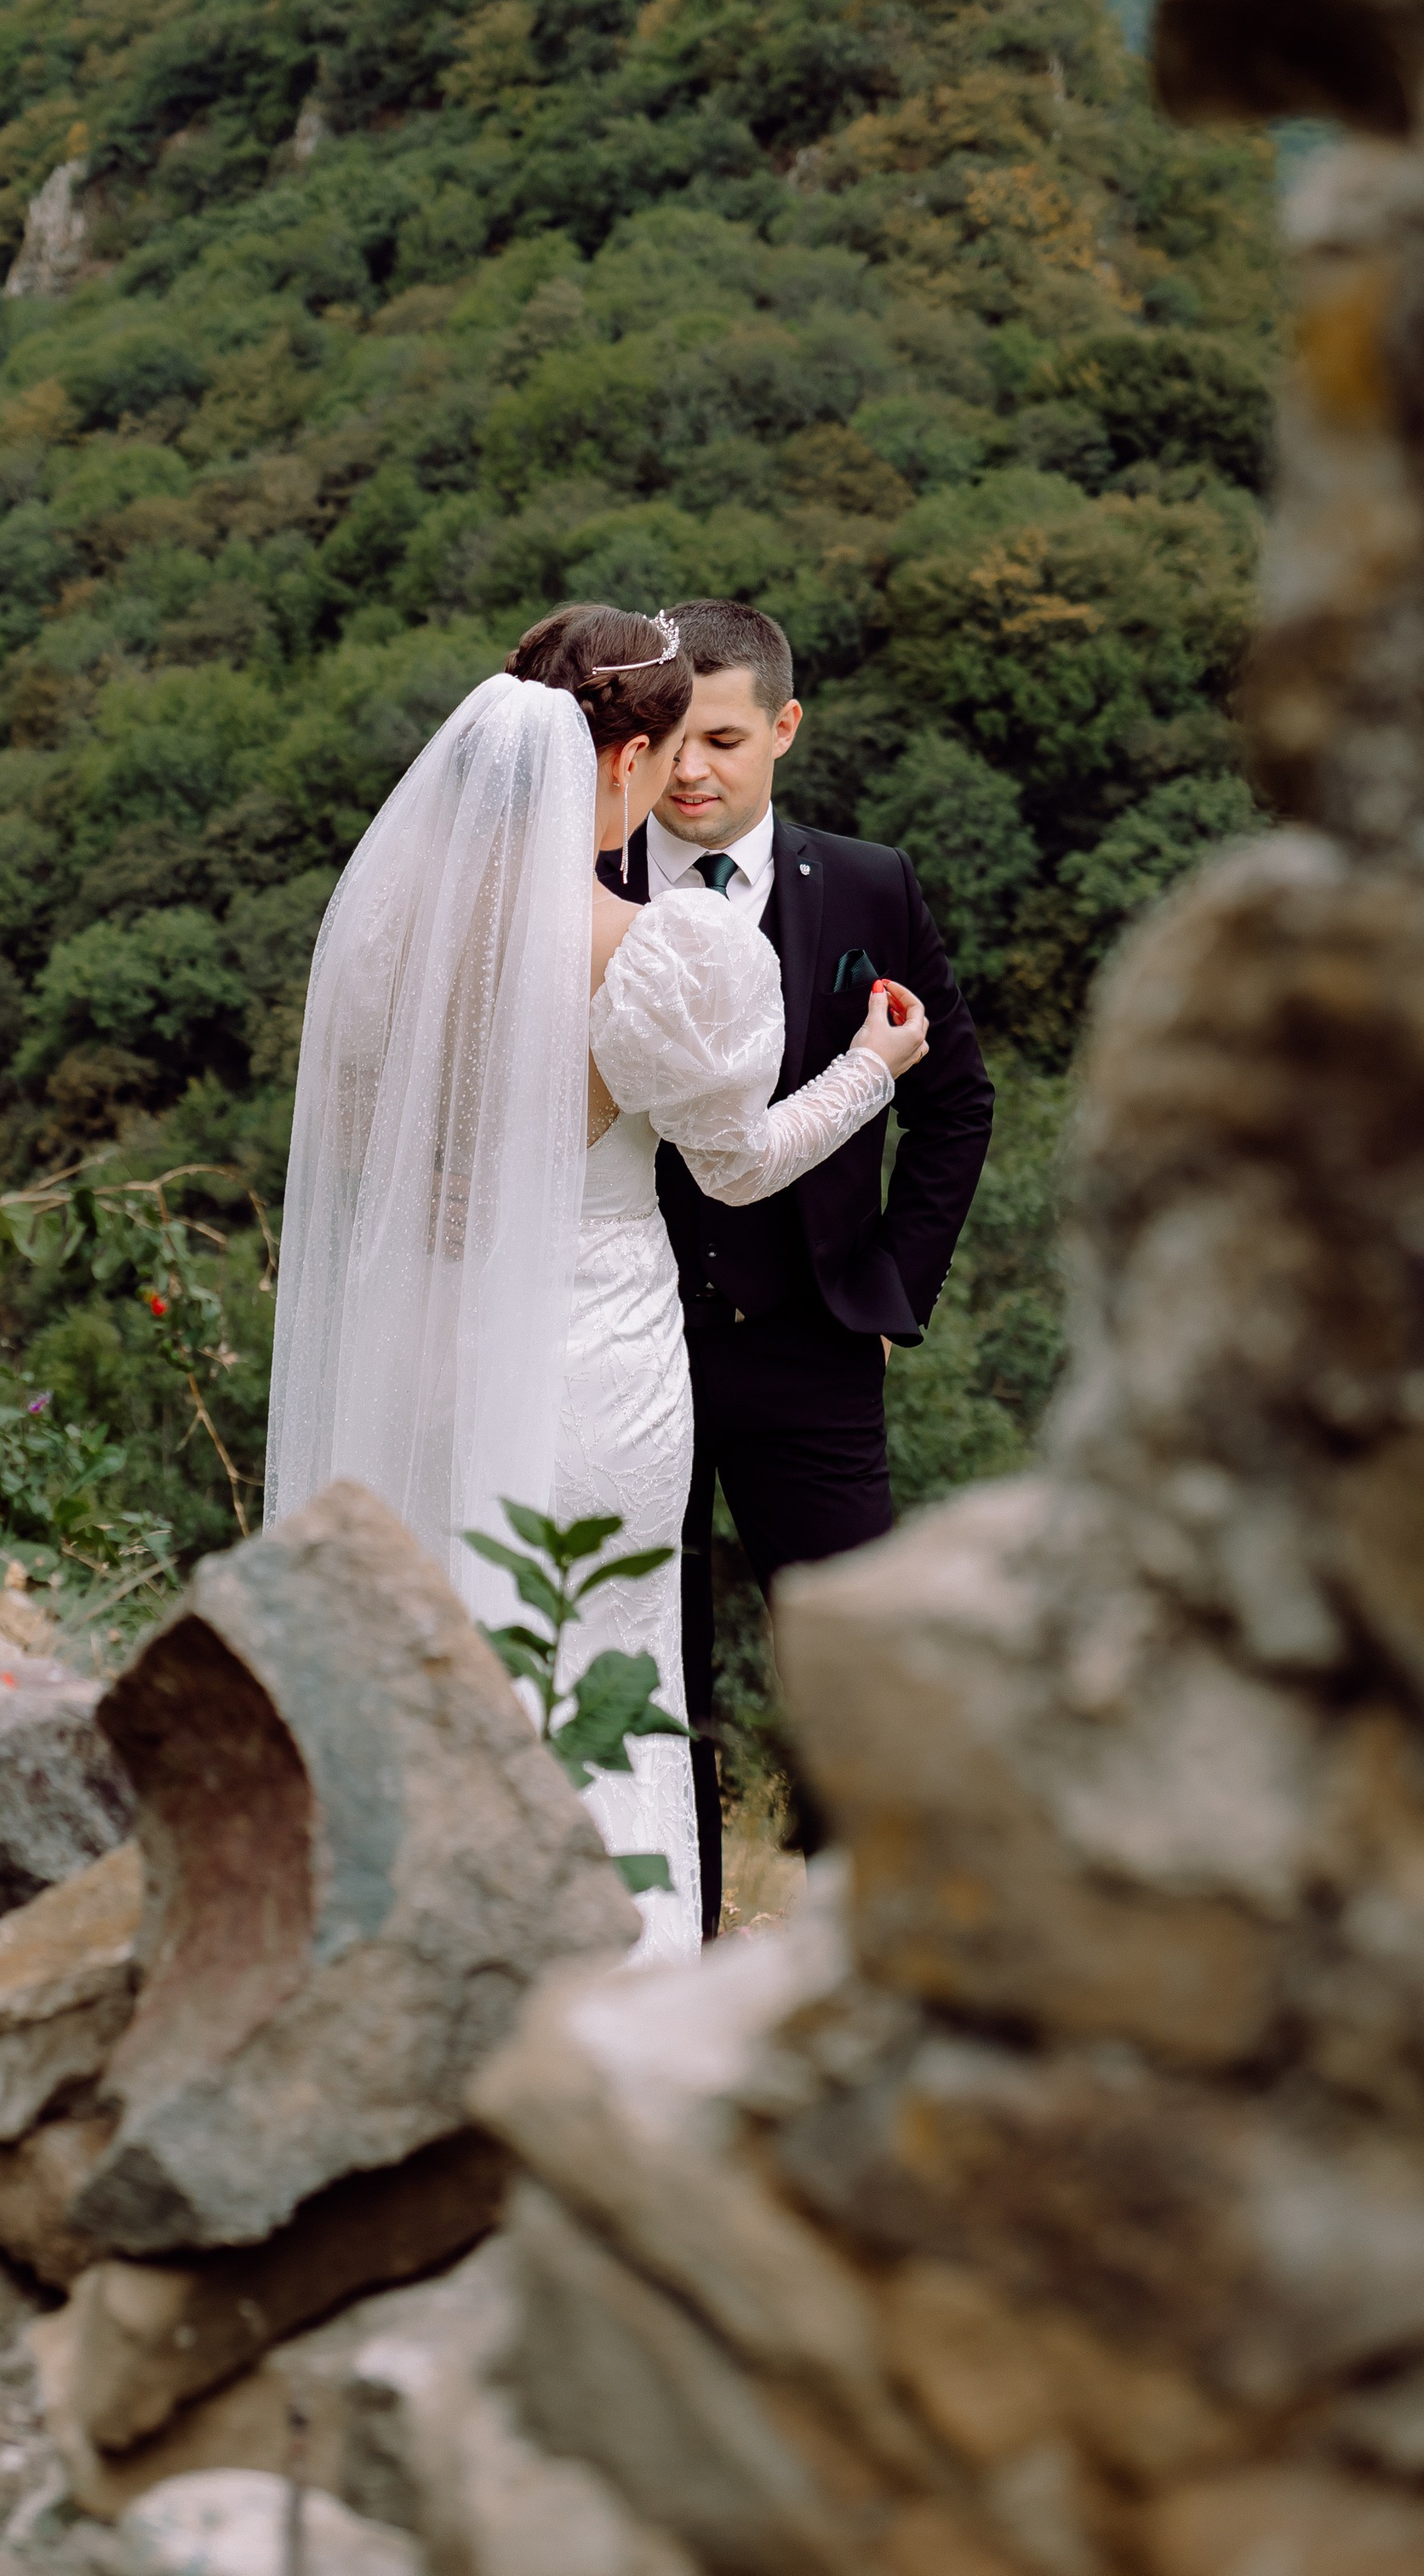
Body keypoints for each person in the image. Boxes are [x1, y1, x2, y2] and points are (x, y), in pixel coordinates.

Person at [265, 603, 928, 1962]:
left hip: (419, 1346)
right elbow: (738, 1165)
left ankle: (419, 1974)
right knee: (603, 1671)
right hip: (591, 1364)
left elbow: (352, 1125)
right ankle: (602, 1998)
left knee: (442, 1660)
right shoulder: (659, 949)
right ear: (620, 762)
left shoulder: (389, 931)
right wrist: (872, 1072)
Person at [605, 600, 995, 1939]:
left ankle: (864, 1949)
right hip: (627, 1340)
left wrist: (892, 1289)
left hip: (816, 1344)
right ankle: (684, 1940)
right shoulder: (591, 889)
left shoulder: (871, 883)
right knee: (655, 1664)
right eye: (669, 739)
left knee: (848, 1663)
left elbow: (957, 1104)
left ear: (783, 728)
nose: (693, 769)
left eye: (723, 737)